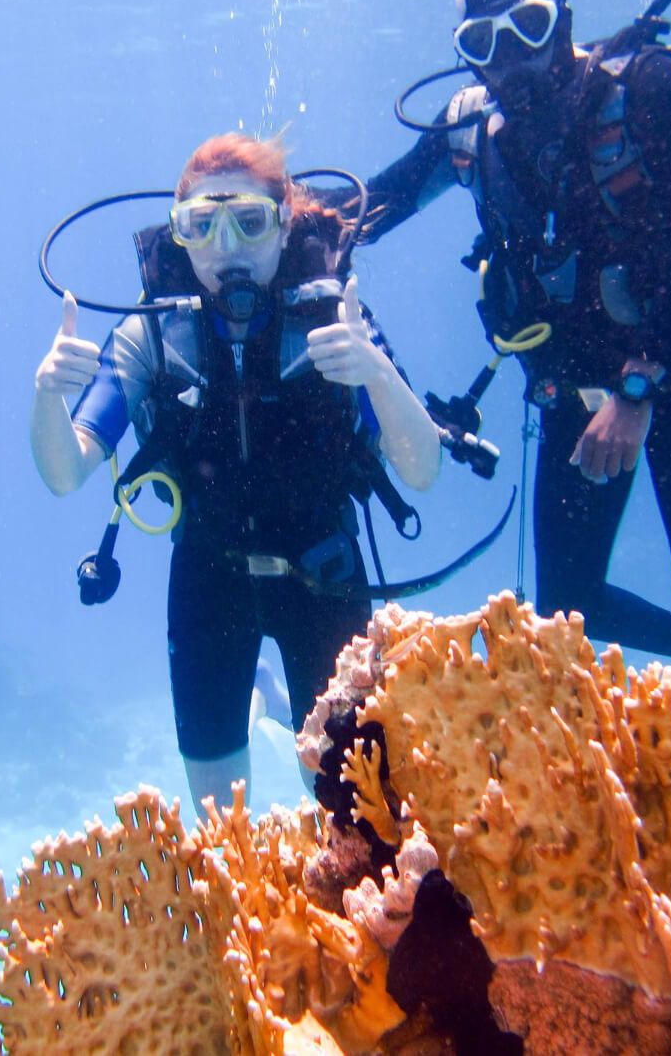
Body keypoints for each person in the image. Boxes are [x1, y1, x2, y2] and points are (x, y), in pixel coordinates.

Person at [347, 0, 671, 709]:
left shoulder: (649, 91)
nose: (511, 59)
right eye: (483, 42)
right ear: (466, 54)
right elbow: (372, 207)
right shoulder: (473, 132)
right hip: (576, 404)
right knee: (563, 612)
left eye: (529, 29)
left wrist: (637, 387)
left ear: (564, 21)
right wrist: (266, 221)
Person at [31, 133, 441, 813]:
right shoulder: (151, 336)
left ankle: (271, 698)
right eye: (202, 226)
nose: (228, 248)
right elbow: (65, 470)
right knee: (221, 823)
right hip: (208, 582)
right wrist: (48, 396)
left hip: (325, 579)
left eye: (250, 222)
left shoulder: (333, 318)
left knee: (360, 812)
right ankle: (263, 697)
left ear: (285, 224)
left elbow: (421, 471)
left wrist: (376, 373)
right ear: (180, 236)